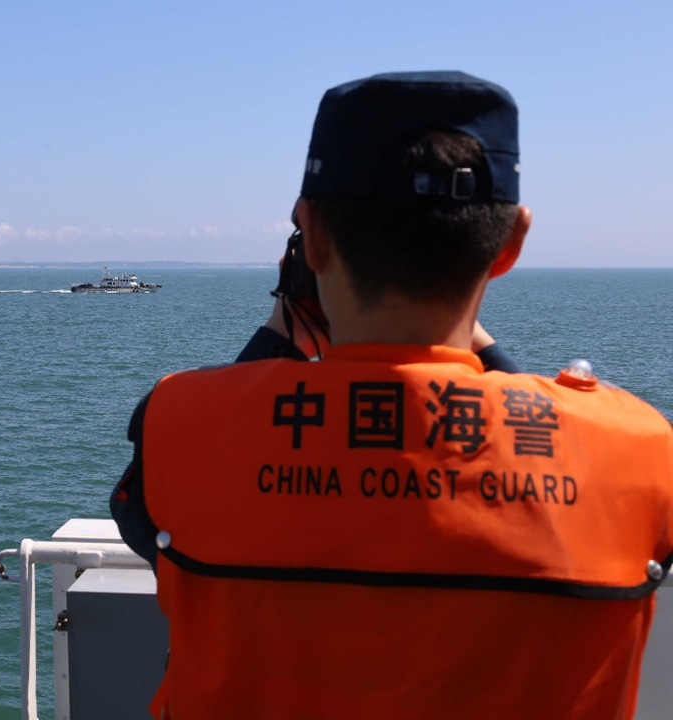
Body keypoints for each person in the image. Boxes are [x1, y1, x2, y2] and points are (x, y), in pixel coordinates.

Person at [110, 71, 673, 719]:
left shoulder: (179, 423)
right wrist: (474, 344)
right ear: (510, 245)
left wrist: (280, 330)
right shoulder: (638, 450)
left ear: (312, 235)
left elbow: (147, 521)